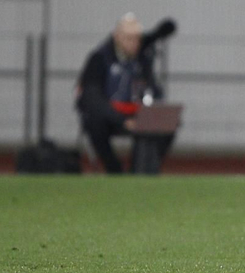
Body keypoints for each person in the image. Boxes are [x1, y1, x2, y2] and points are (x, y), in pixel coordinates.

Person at [75, 13, 177, 174]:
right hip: (110, 115)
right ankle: (114, 170)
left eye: (137, 38)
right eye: (129, 38)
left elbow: (153, 90)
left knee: (168, 122)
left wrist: (154, 106)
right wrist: (122, 120)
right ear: (117, 36)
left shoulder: (143, 58)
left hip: (136, 112)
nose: (134, 43)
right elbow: (91, 98)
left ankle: (143, 171)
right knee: (94, 122)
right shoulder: (99, 58)